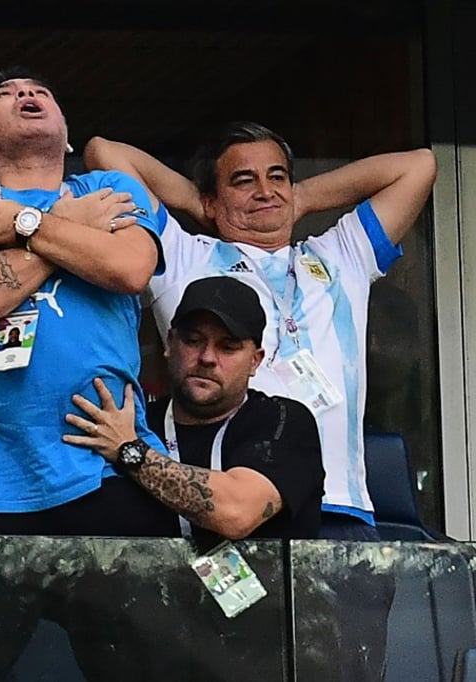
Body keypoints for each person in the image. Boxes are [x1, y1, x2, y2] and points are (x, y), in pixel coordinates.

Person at [85, 123, 436, 681]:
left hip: (340, 515)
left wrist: (298, 201)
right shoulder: (184, 255)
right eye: (243, 181)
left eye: (278, 177)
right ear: (211, 197)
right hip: (220, 519)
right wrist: (207, 211)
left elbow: (417, 165)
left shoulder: (340, 254)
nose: (265, 191)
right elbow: (107, 153)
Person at [0, 66, 176, 682]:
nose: (27, 95)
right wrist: (71, 229)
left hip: (104, 466)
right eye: (5, 94)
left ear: (67, 130)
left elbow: (132, 268)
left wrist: (23, 227)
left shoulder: (110, 185)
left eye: (41, 92)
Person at [65, 275, 324, 547]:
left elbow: (237, 513)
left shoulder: (282, 420)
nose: (207, 358)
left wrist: (130, 450)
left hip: (271, 588)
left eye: (228, 347)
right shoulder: (136, 422)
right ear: (169, 344)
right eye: (193, 341)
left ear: (255, 361)